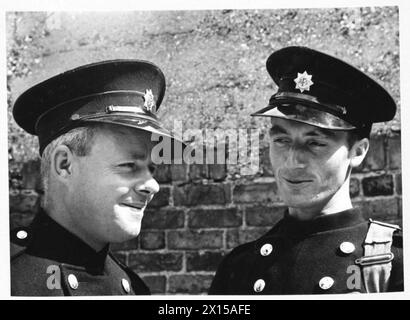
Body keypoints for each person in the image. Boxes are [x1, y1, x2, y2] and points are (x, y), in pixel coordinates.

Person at [209, 46, 403, 294]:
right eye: (282, 140)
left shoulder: (392, 264)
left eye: (315, 143)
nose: (292, 161)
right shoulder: (240, 267)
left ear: (358, 151)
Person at [10, 60, 182, 296]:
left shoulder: (133, 288)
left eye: (151, 169)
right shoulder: (11, 278)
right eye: (129, 165)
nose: (152, 186)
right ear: (64, 165)